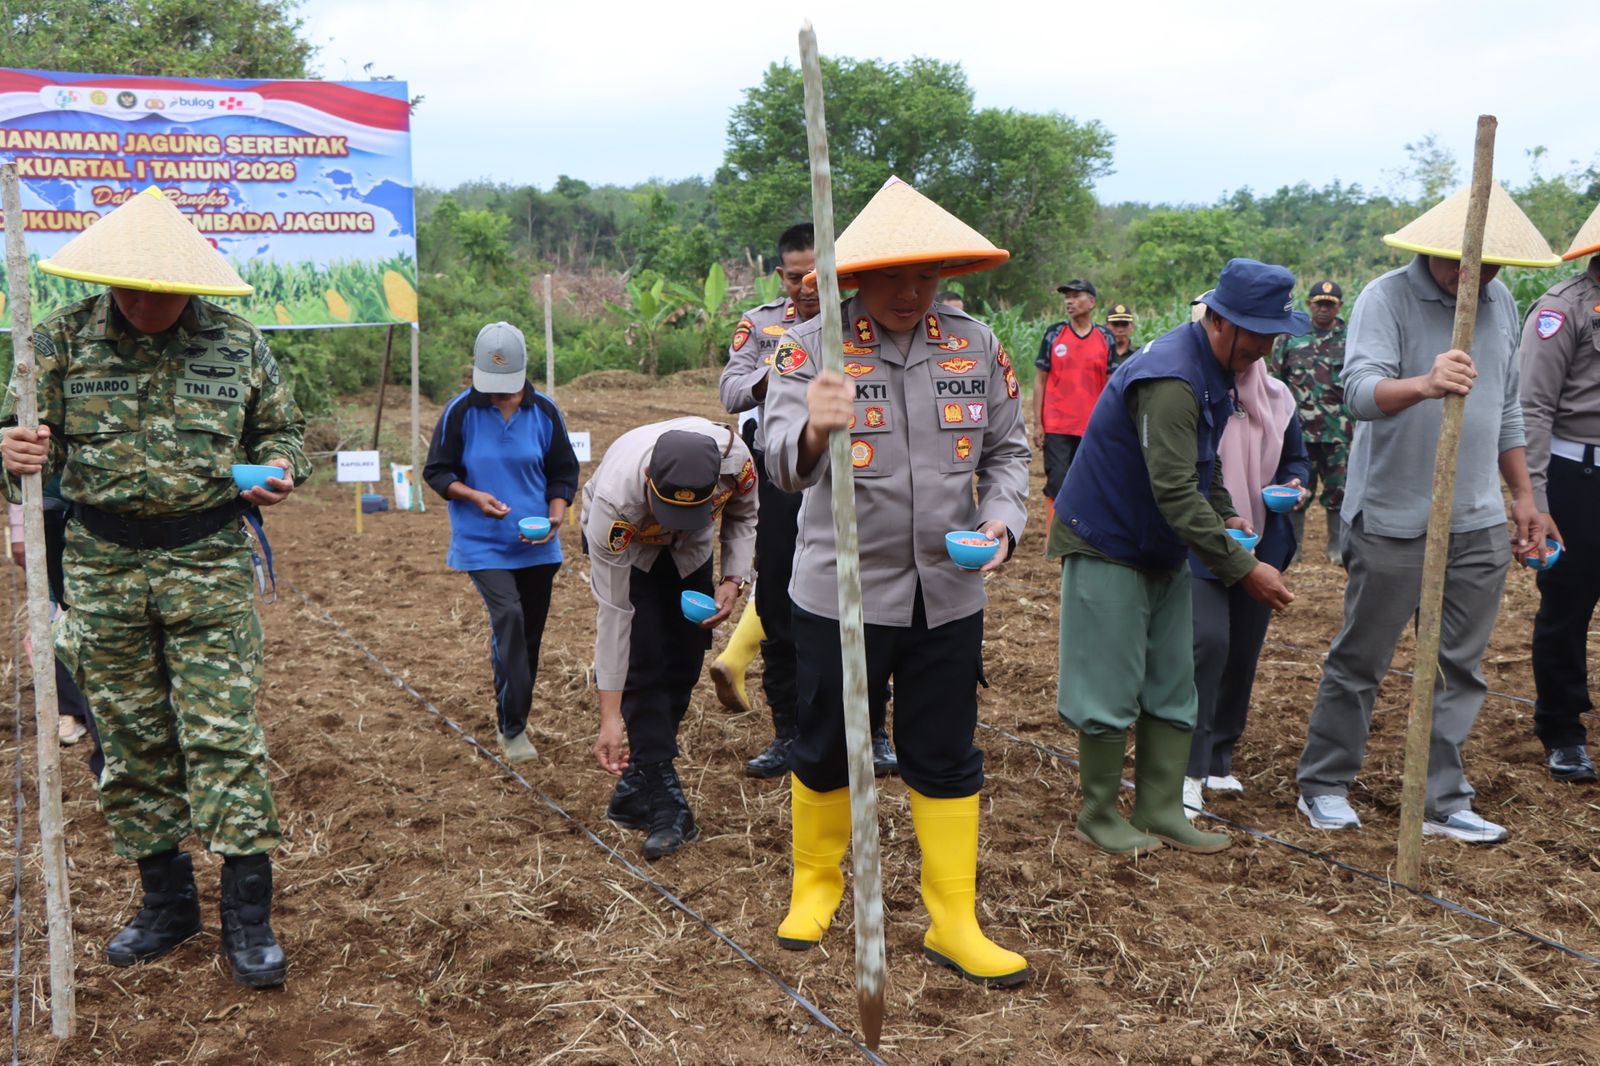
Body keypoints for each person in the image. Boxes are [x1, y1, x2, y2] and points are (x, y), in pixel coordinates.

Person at [0, 187, 309, 987]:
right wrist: (13, 455)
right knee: (129, 741)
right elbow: (19, 447)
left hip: (207, 562)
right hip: (102, 568)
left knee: (223, 735)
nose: (141, 304)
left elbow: (283, 431)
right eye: (127, 290)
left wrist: (280, 468)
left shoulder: (238, 344)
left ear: (187, 283)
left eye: (157, 291)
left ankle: (248, 918)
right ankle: (168, 904)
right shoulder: (56, 343)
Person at [763, 177, 1032, 986]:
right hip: (840, 594)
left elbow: (1008, 452)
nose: (911, 293)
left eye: (926, 275)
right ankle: (816, 886)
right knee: (828, 744)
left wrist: (1002, 523)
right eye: (892, 277)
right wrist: (815, 430)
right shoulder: (810, 349)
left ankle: (953, 920)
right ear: (856, 277)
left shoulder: (975, 346)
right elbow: (780, 466)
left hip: (949, 591)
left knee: (945, 751)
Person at [1295, 186, 1561, 842]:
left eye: (1494, 264)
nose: (1481, 275)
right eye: (1469, 261)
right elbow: (1358, 393)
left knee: (1459, 667)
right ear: (1437, 248)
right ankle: (1324, 783)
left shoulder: (1500, 301)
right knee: (1362, 659)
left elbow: (1505, 408)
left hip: (1475, 518)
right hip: (1393, 516)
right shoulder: (1384, 298)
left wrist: (1524, 496)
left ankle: (1442, 797)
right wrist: (1425, 382)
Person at [1052, 259, 1302, 857]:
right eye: (1256, 332)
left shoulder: (1218, 370)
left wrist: (1228, 515)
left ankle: (1160, 808)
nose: (1265, 347)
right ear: (1219, 321)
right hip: (1108, 539)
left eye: (1273, 334)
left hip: (1161, 545)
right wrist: (1244, 568)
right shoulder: (1171, 378)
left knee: (1171, 682)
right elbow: (1173, 491)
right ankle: (1098, 813)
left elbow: (1203, 464)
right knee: (1109, 686)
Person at [712, 224, 897, 779]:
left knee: (866, 600)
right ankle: (788, 732)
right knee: (777, 600)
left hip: (853, 476)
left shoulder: (865, 321)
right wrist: (785, 372)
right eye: (796, 277)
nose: (807, 286)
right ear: (781, 275)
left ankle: (874, 731)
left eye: (818, 275)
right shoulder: (761, 325)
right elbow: (730, 390)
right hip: (781, 477)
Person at [584, 418, 757, 859]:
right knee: (644, 662)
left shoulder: (735, 462)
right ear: (648, 479)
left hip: (690, 552)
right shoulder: (614, 504)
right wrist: (610, 719)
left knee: (684, 660)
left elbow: (743, 513)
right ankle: (667, 806)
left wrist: (733, 579)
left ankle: (634, 789)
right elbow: (614, 618)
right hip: (632, 551)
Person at [424, 321, 578, 765]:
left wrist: (556, 513)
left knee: (527, 636)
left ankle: (512, 710)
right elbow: (437, 471)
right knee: (508, 616)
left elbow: (562, 471)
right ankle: (513, 727)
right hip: (482, 541)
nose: (498, 393)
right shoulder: (460, 412)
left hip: (537, 543)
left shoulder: (544, 411)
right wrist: (473, 496)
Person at [1185, 327, 1309, 814]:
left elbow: (1296, 459)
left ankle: (1219, 758)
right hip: (1201, 540)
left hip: (1260, 541)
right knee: (1207, 644)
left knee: (1242, 651)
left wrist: (1294, 485)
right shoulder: (1198, 393)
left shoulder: (1279, 398)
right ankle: (1188, 767)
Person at [1518, 200, 1600, 784]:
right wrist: (1536, 499)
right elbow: (1534, 408)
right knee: (1567, 606)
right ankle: (1562, 730)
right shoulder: (1561, 309)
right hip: (1577, 478)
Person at [10, 491, 98, 755]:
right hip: (53, 513)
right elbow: (23, 479)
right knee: (56, 616)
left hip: (102, 526)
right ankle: (69, 708)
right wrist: (18, 529)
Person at [1272, 280, 1351, 564]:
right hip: (1299, 432)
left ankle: (1336, 548)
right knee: (1296, 488)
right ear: (1309, 304)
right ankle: (1294, 548)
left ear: (1339, 307)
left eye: (1330, 304)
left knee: (1338, 490)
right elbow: (1276, 382)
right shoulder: (1290, 338)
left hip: (1338, 431)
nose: (1323, 309)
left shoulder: (1351, 339)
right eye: (1319, 304)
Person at [1034, 279, 1118, 513]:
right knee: (1057, 482)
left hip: (1092, 426)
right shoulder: (1054, 334)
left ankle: (1083, 533)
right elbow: (1040, 380)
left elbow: (1111, 385)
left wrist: (1111, 424)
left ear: (1091, 302)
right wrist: (1038, 423)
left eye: (1075, 296)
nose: (1069, 302)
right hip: (1057, 425)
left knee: (1089, 482)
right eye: (1066, 297)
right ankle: (1054, 534)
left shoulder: (1105, 337)